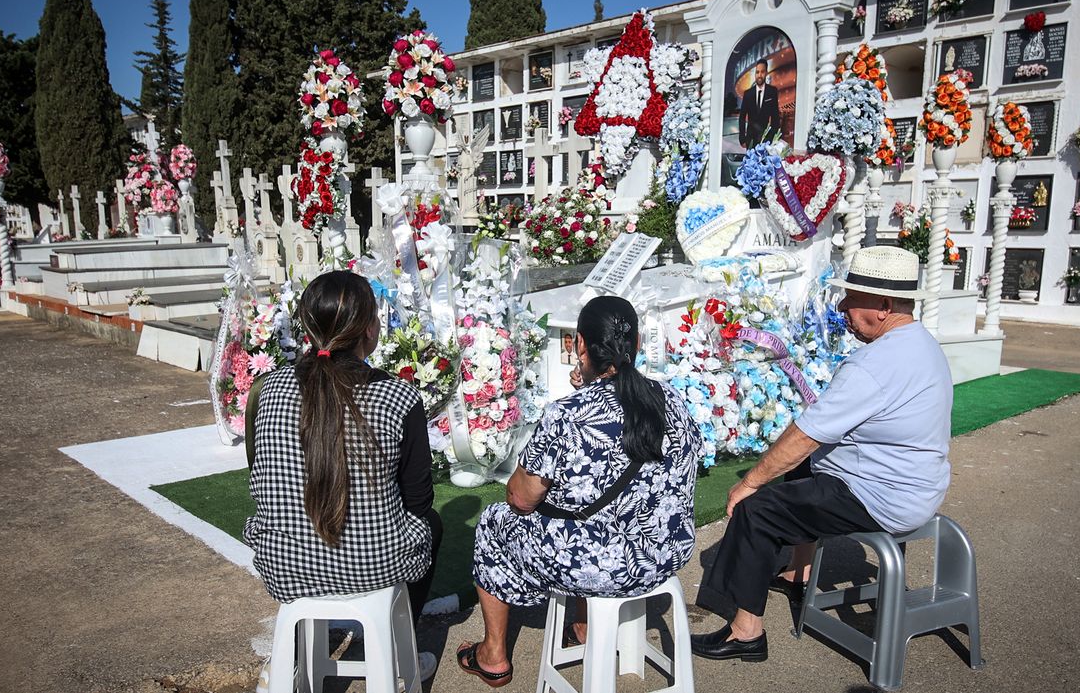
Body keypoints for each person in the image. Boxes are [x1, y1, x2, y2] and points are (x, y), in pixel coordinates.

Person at [691, 245, 953, 662]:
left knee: (757, 509)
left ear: (884, 305)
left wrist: (748, 483)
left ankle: (746, 632)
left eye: (853, 298)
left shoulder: (876, 363)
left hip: (882, 495)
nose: (844, 306)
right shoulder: (921, 342)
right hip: (918, 484)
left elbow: (807, 433)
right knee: (799, 470)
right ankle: (799, 571)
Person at [457, 295, 702, 687]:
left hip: (602, 565)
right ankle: (585, 626)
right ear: (635, 344)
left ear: (581, 345)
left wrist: (576, 401)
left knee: (494, 522)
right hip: (664, 553)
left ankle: (493, 655)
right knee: (592, 515)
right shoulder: (672, 398)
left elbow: (521, 498)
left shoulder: (566, 414)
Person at [244, 271, 443, 682]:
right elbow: (418, 503)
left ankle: (287, 663)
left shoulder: (266, 390)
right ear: (370, 329)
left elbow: (262, 478)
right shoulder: (399, 396)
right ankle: (396, 653)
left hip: (284, 566)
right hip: (378, 565)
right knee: (433, 525)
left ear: (306, 324)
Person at [738, 59, 781, 147]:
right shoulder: (748, 94)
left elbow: (775, 118)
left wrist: (771, 138)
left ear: (766, 73)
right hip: (750, 140)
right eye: (757, 72)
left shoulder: (772, 92)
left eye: (762, 72)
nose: (759, 75)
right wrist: (742, 138)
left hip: (766, 141)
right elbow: (742, 117)